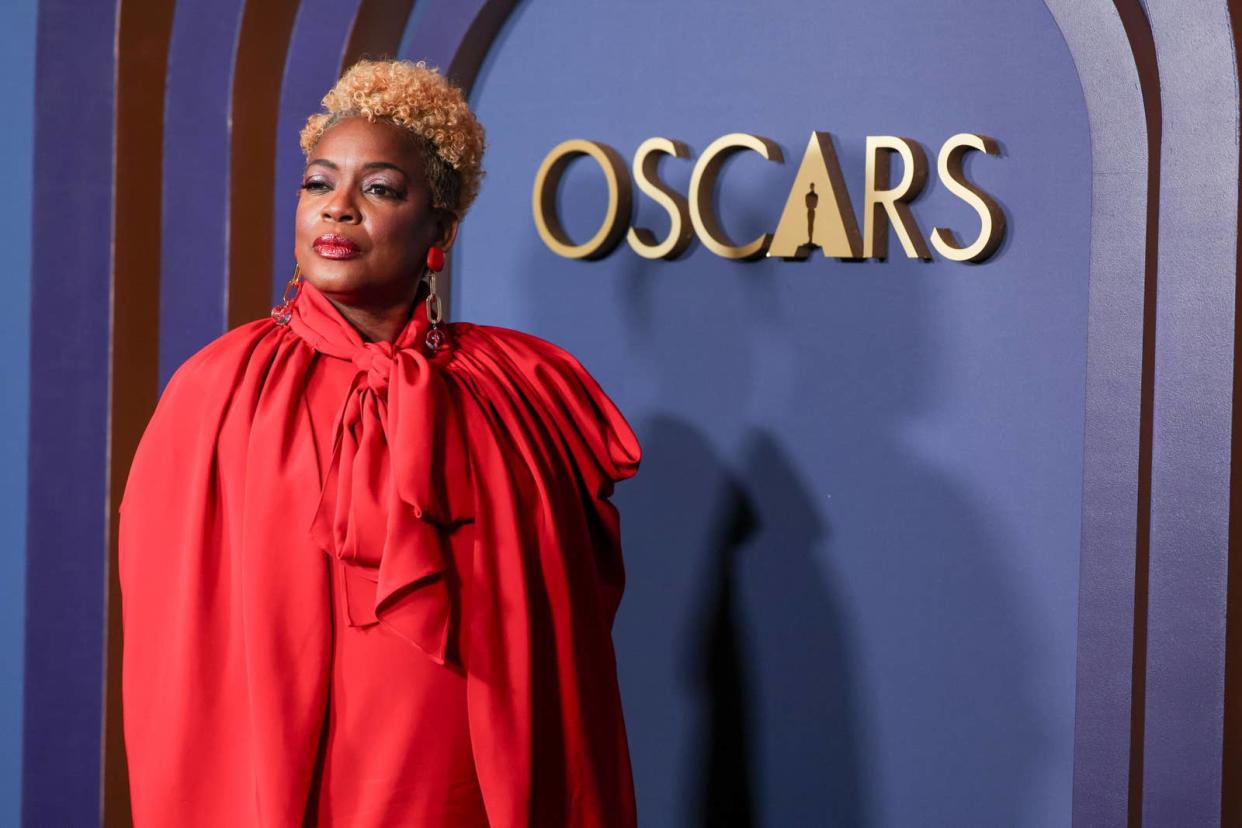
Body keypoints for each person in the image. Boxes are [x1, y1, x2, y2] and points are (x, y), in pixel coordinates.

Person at [118, 58, 642, 827]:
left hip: (460, 766)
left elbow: (563, 634)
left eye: (380, 189)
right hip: (286, 770)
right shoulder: (220, 388)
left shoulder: (519, 389)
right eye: (319, 183)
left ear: (443, 228)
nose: (337, 210)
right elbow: (176, 638)